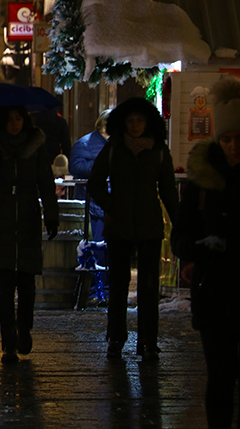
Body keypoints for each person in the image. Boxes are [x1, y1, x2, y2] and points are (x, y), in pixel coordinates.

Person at [171, 76, 240, 429]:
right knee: (220, 378)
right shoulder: (201, 181)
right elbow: (180, 237)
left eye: (238, 139)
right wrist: (199, 248)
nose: (232, 147)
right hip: (214, 295)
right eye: (226, 139)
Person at [88, 97, 178, 361]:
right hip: (119, 226)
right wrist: (112, 207)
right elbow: (95, 182)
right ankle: (116, 338)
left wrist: (179, 221)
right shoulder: (114, 148)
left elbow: (169, 191)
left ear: (148, 121)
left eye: (140, 120)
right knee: (118, 285)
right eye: (131, 120)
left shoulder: (159, 150)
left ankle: (148, 341)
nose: (136, 125)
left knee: (149, 287)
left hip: (149, 225)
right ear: (123, 123)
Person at [0, 105, 59, 363]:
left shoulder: (36, 146)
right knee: (6, 285)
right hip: (1, 219)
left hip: (28, 219)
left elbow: (45, 181)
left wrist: (51, 215)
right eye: (9, 120)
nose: (14, 124)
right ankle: (8, 343)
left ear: (25, 120)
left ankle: (25, 330)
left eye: (18, 119)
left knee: (27, 284)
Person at [70, 109, 112, 303]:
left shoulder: (116, 144)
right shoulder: (86, 144)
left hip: (112, 205)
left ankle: (107, 290)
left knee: (110, 251)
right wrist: (102, 166)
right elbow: (77, 168)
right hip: (94, 206)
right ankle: (97, 291)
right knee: (97, 250)